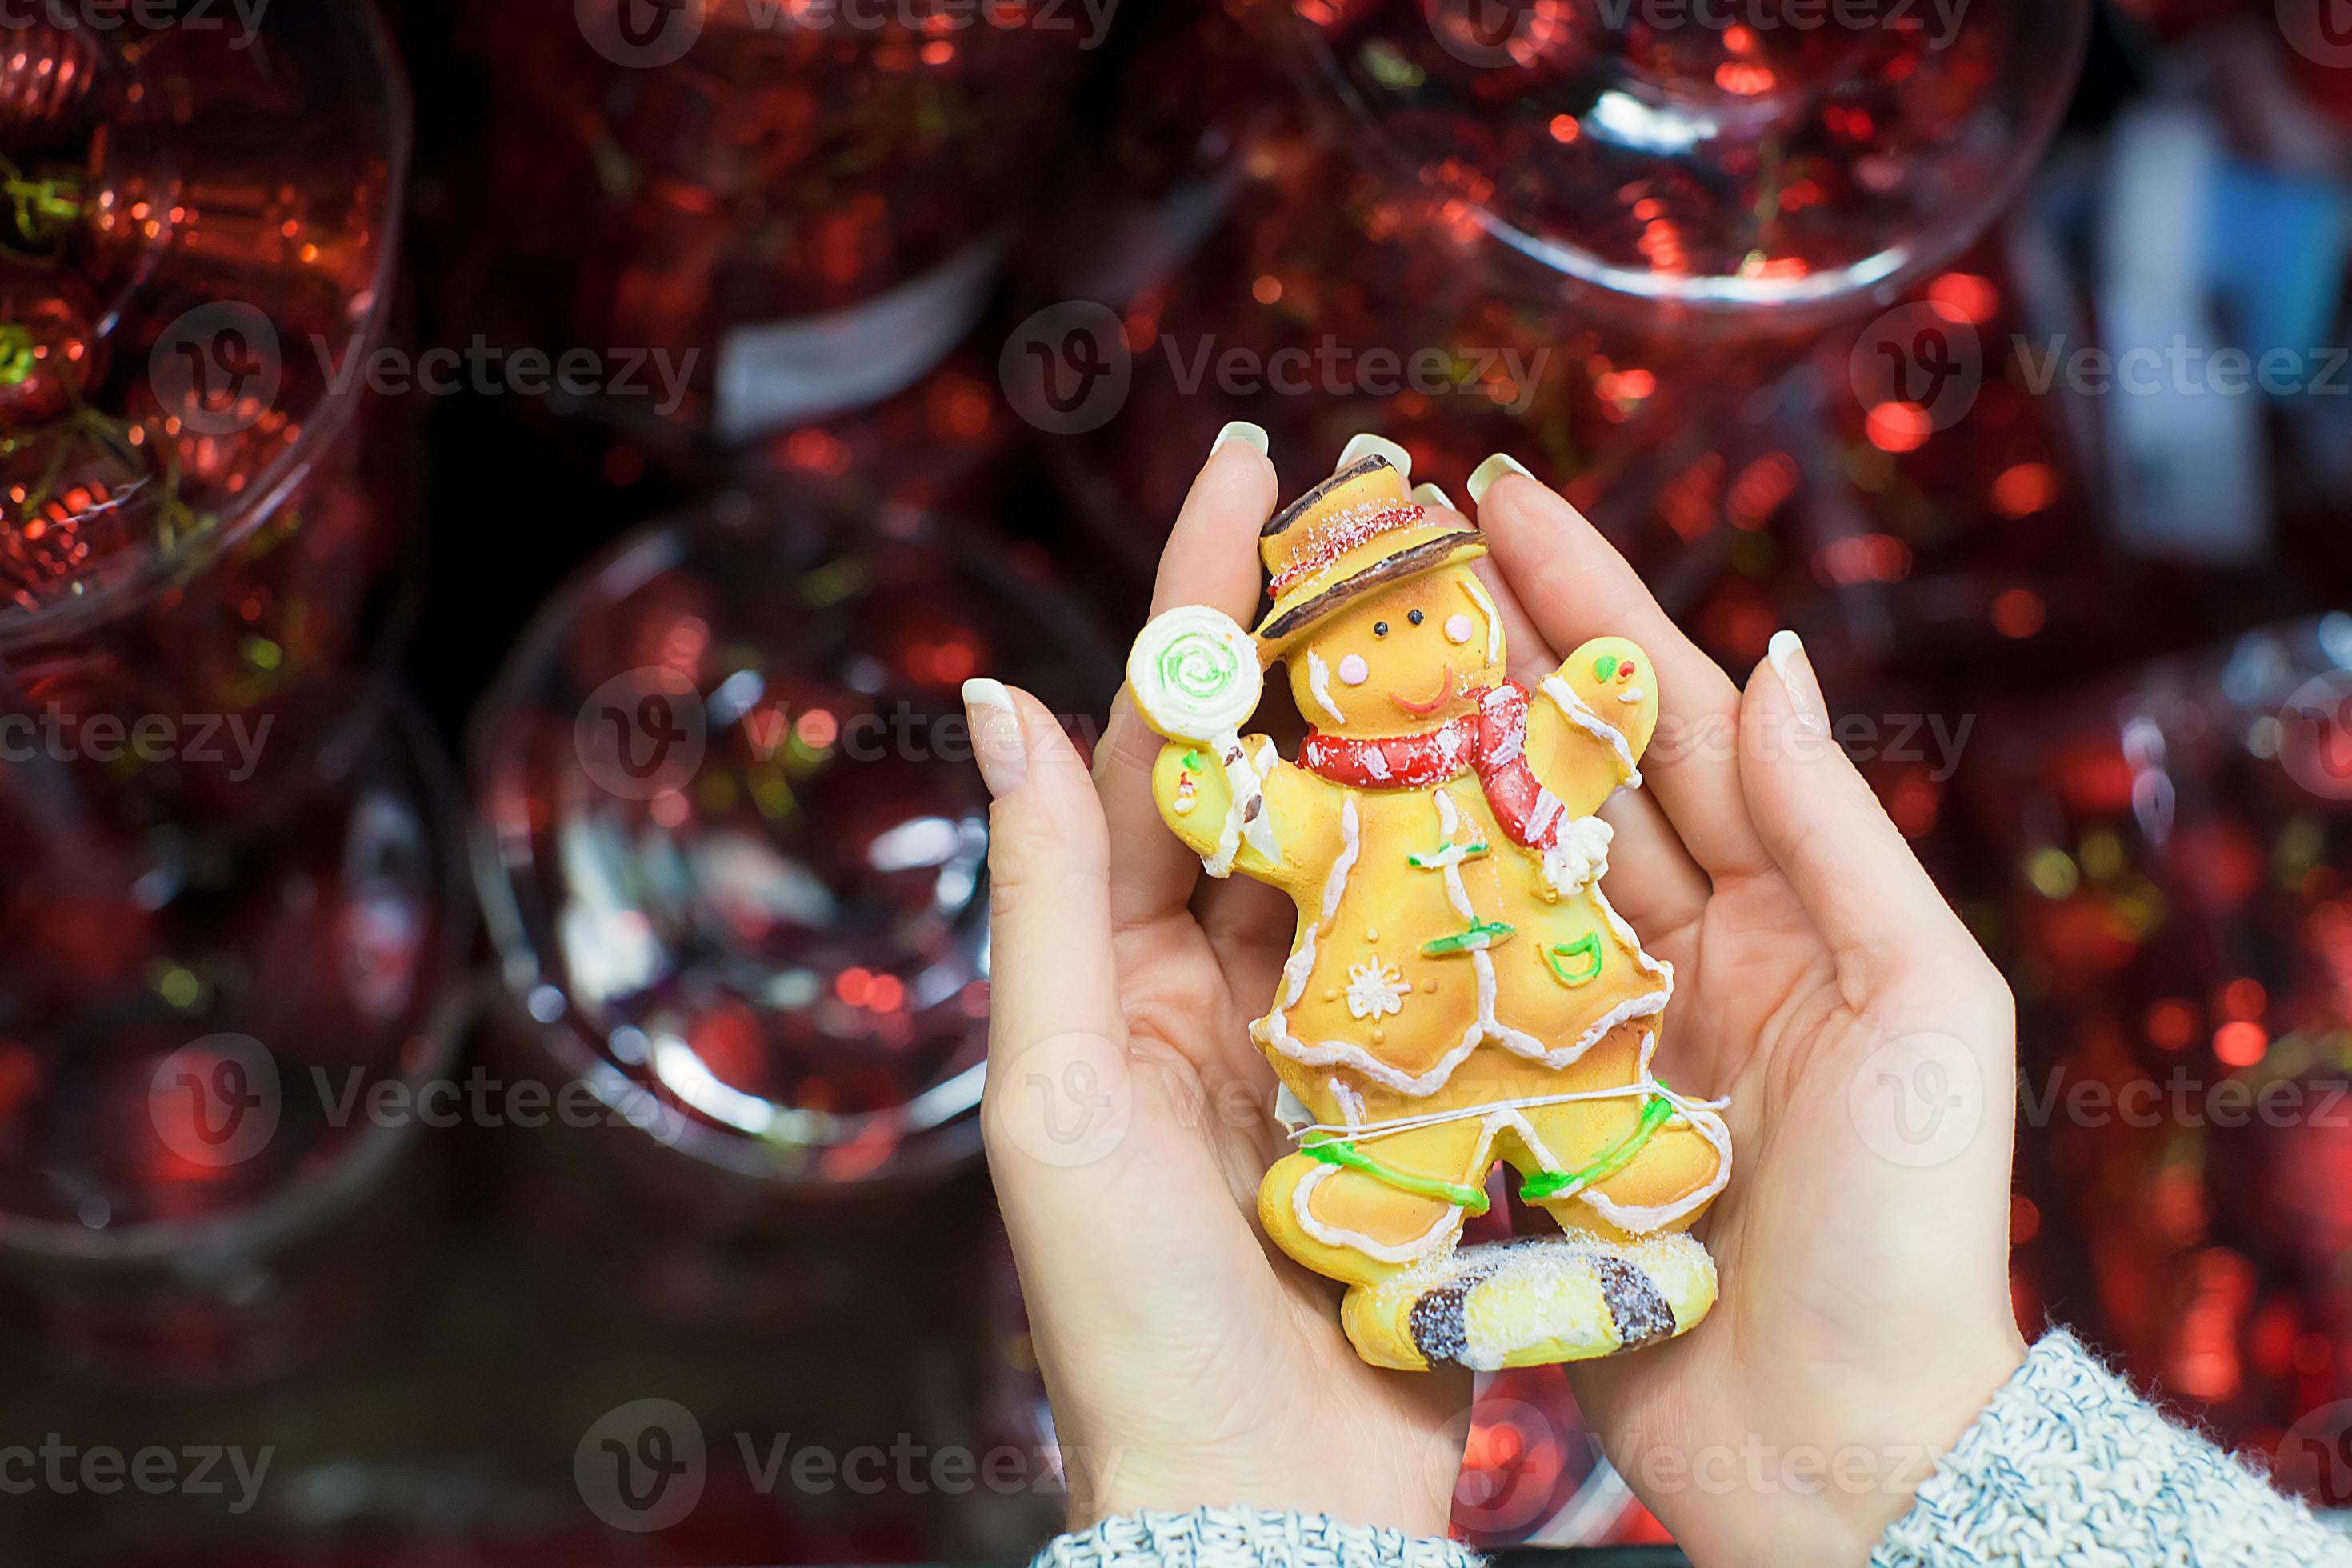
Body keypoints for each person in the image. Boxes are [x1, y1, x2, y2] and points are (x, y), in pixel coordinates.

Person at [958, 431, 2352, 1567]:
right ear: (1313, 676)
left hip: (1574, 1029)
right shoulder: (1337, 806)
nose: (1413, 658)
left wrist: (1604, 704)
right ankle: (1385, 1199)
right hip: (1385, 1060)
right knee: (1389, 1153)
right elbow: (1266, 835)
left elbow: (1589, 738)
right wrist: (1208, 783)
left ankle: (1626, 1166)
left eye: (1431, 618)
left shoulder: (1520, 765)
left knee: (1610, 1120)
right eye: (1363, 645)